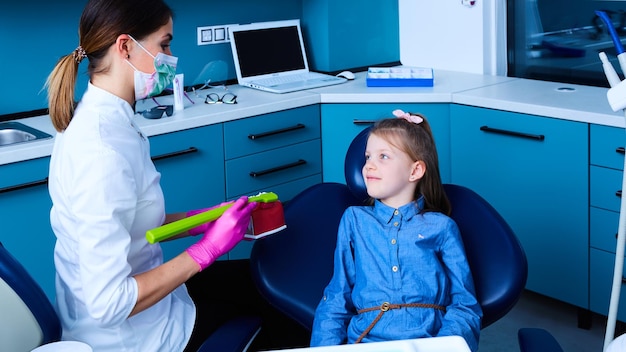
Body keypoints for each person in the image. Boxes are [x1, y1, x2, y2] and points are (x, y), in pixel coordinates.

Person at [44, 1, 256, 351]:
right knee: (273, 306)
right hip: (134, 337)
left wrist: (205, 219)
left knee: (255, 279)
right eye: (164, 44)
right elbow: (109, 304)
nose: (171, 56)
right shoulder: (100, 152)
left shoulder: (107, 119)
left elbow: (130, 221)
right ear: (125, 46)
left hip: (158, 307)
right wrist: (208, 249)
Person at [310, 110, 482, 351]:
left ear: (415, 171)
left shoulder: (441, 227)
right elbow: (337, 297)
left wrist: (444, 345)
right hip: (365, 342)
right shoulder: (354, 220)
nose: (369, 165)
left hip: (428, 342)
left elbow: (464, 305)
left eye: (383, 156)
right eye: (368, 156)